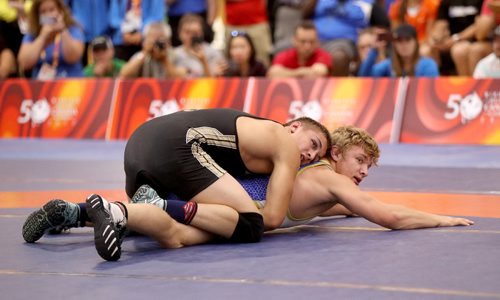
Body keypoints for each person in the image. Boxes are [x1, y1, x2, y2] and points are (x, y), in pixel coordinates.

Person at [23, 125, 473, 262]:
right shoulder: (326, 174)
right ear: (337, 154)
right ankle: (147, 206)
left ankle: (82, 212)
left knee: (172, 237)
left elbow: (337, 209)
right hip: (234, 211)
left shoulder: (318, 179)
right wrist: (442, 218)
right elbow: (386, 215)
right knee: (179, 234)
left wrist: (345, 211)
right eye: (361, 162)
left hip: (215, 197)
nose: (364, 173)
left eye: (370, 168)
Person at [22, 108, 330, 261]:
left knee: (162, 221)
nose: (311, 155)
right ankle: (155, 204)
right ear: (294, 127)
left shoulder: (256, 133)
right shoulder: (285, 144)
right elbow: (274, 218)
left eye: (318, 155)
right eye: (314, 143)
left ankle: (74, 213)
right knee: (250, 224)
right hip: (177, 148)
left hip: (140, 146)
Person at [17, 0, 84, 79]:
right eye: (43, 12)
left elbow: (73, 57)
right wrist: (42, 36)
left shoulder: (73, 29)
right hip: (41, 86)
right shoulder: (32, 34)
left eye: (52, 10)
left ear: (60, 11)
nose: (48, 15)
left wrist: (63, 31)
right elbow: (24, 63)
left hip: (70, 84)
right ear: (37, 15)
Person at [358, 23, 439, 77]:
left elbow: (430, 90)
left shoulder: (428, 64)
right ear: (394, 44)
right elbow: (364, 78)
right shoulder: (389, 64)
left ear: (416, 43)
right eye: (399, 41)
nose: (404, 45)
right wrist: (374, 50)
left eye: (408, 40)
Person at [267, 20, 332, 78]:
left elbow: (319, 74)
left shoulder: (323, 55)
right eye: (303, 42)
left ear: (317, 42)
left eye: (311, 42)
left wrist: (288, 73)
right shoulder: (284, 56)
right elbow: (272, 73)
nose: (307, 46)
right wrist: (300, 72)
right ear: (294, 41)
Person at [119, 22, 183, 79]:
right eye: (152, 39)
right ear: (145, 41)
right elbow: (124, 75)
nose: (156, 44)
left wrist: (164, 60)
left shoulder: (176, 54)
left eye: (160, 40)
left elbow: (182, 78)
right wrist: (144, 53)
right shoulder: (141, 56)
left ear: (169, 41)